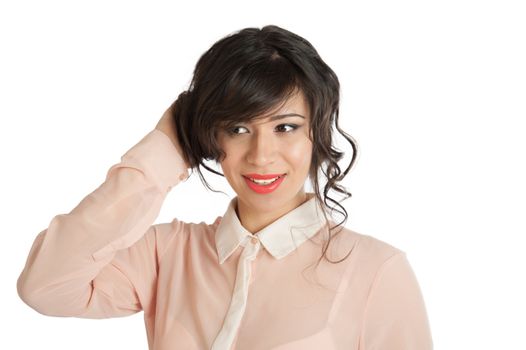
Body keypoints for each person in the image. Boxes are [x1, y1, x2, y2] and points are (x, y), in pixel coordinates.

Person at [17, 25, 433, 349]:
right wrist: (163, 153)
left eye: (285, 127)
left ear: (316, 133)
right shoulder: (165, 255)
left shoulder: (376, 272)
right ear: (211, 137)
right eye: (237, 128)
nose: (261, 154)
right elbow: (44, 288)